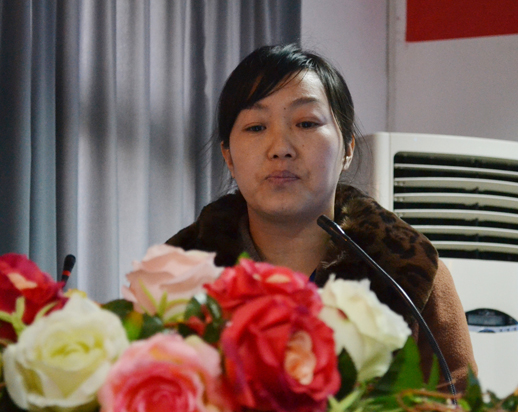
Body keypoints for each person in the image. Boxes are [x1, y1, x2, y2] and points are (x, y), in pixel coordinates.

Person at [166, 44, 477, 391]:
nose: (280, 148)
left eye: (306, 123)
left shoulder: (409, 271)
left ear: (347, 149)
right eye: (255, 127)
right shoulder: (176, 275)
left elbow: (458, 400)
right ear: (228, 156)